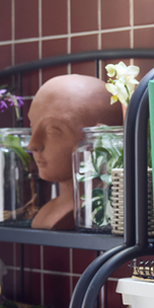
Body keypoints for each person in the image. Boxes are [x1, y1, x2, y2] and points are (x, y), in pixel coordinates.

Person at [28, 74, 122, 230]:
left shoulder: (94, 213)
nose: (32, 144)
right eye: (32, 126)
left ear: (100, 139)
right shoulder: (48, 211)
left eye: (52, 131)